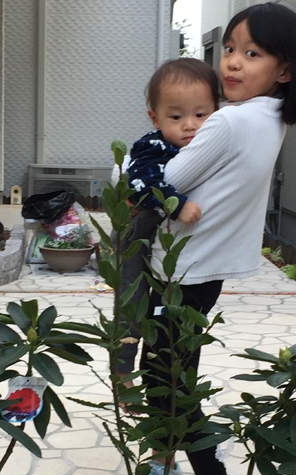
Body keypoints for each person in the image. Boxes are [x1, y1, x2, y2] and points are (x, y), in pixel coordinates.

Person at [117, 4, 296, 475]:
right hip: (201, 271)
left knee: (174, 385)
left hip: (183, 272)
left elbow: (155, 183)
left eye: (252, 53)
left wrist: (129, 170)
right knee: (167, 374)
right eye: (230, 48)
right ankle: (165, 468)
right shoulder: (269, 118)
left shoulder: (229, 120)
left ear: (285, 69)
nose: (232, 63)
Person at [116, 58, 219, 375]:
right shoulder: (152, 146)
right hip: (140, 236)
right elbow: (139, 184)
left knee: (165, 319)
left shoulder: (212, 144)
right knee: (131, 298)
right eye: (176, 116)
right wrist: (176, 203)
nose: (190, 124)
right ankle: (122, 369)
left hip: (181, 257)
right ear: (155, 117)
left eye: (201, 114)